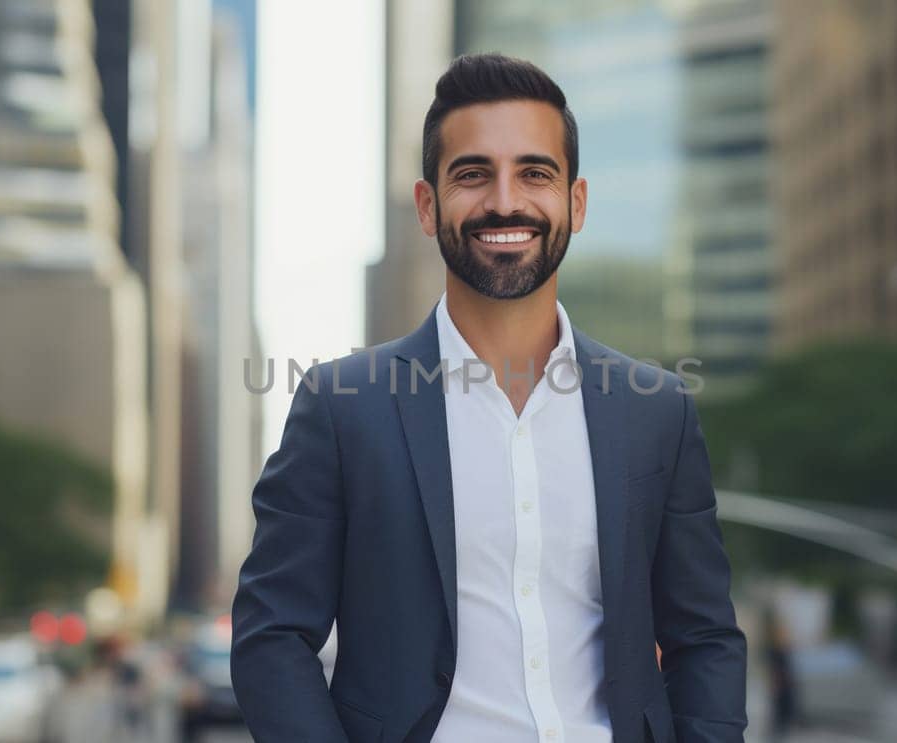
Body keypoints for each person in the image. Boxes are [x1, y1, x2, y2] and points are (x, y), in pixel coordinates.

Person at [231, 53, 747, 743]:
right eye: (473, 174)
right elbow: (272, 637)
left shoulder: (656, 410)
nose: (505, 201)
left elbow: (705, 636)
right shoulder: (342, 407)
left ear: (577, 202)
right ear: (427, 204)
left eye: (536, 173)